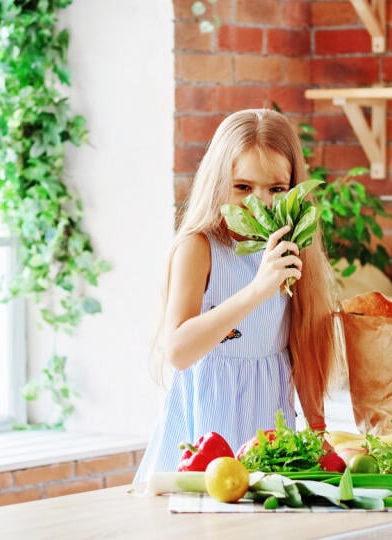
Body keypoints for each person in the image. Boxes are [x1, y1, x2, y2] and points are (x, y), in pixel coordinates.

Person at [133, 109, 339, 484]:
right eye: (243, 187)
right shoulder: (199, 247)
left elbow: (305, 346)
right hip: (203, 436)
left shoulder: (292, 248)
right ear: (218, 184)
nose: (258, 202)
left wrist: (318, 429)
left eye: (276, 189)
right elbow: (178, 350)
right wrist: (258, 289)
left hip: (268, 430)